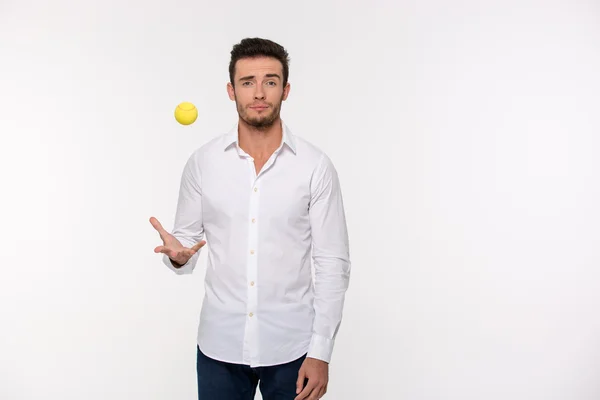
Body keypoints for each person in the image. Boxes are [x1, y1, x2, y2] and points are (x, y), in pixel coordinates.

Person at [150, 37, 351, 400]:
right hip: (219, 347)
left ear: (285, 90)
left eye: (270, 81)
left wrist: (320, 351)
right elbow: (185, 243)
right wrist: (178, 256)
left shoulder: (314, 166)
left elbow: (332, 263)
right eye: (247, 82)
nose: (259, 93)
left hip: (293, 348)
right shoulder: (203, 162)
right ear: (231, 90)